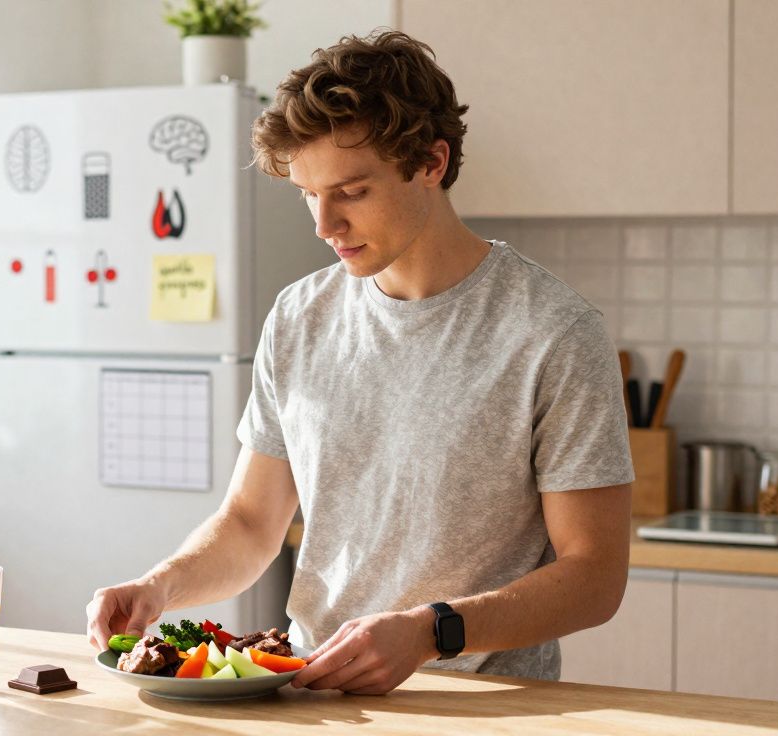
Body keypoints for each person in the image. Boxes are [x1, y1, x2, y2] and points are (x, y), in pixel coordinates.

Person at [87, 28, 634, 695]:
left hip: (479, 708)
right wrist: (159, 586)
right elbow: (254, 522)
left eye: (350, 192)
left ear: (431, 162)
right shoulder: (298, 317)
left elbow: (595, 576)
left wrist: (431, 630)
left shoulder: (553, 332)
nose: (324, 225)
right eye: (307, 194)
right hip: (311, 693)